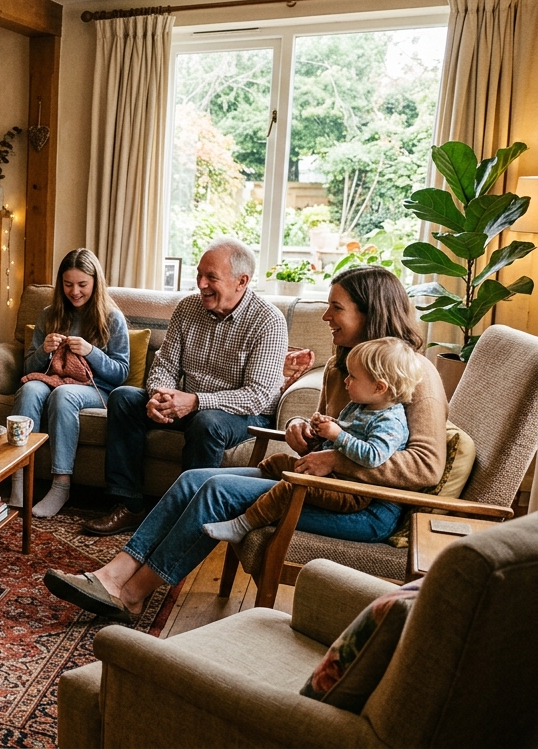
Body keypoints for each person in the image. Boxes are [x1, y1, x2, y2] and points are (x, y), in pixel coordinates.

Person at [44, 265, 447, 622]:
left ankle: (132, 596)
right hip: (320, 487)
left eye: (336, 308)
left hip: (366, 508)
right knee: (192, 480)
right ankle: (110, 575)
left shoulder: (417, 374)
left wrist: (336, 462)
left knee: (216, 490)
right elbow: (333, 433)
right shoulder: (343, 367)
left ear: (369, 312)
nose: (326, 316)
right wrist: (301, 431)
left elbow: (426, 466)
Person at [81, 237, 288, 537]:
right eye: (199, 274)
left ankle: (185, 519)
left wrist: (194, 401)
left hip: (241, 414)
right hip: (188, 403)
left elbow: (256, 397)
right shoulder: (187, 308)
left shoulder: (269, 321)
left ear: (241, 281)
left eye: (211, 277)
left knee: (207, 422)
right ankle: (128, 506)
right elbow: (164, 365)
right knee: (124, 398)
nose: (201, 283)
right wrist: (158, 396)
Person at [203, 336, 425, 544]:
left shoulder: (390, 422)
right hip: (335, 478)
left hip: (352, 492)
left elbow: (374, 456)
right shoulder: (360, 406)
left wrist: (337, 434)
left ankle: (242, 525)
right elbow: (345, 431)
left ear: (379, 387)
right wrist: (323, 427)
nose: (346, 381)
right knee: (278, 461)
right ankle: (249, 484)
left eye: (353, 377)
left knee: (291, 486)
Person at [12, 249, 130, 518]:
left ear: (95, 283)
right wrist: (43, 350)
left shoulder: (112, 318)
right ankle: (19, 477)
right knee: (29, 388)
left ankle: (60, 486)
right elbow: (29, 368)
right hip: (52, 378)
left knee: (64, 394)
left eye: (82, 285)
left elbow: (120, 373)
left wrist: (91, 352)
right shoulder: (49, 314)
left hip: (96, 389)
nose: (74, 291)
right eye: (67, 284)